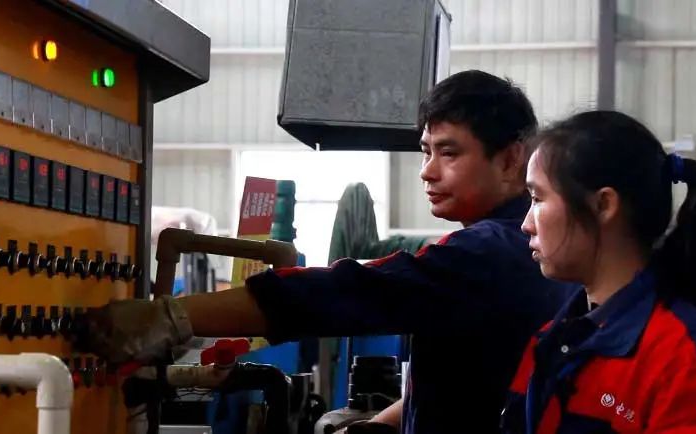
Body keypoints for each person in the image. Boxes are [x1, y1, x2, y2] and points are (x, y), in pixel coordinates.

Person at [78, 70, 571, 434]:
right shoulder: (536, 250)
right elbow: (475, 383)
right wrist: (383, 423)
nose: (427, 171)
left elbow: (353, 291)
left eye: (449, 152)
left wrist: (171, 317)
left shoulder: (490, 253)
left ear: (510, 158)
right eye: (425, 151)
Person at [501, 110, 696, 433]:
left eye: (538, 198)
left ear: (603, 205)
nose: (526, 224)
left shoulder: (688, 360)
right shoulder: (552, 341)